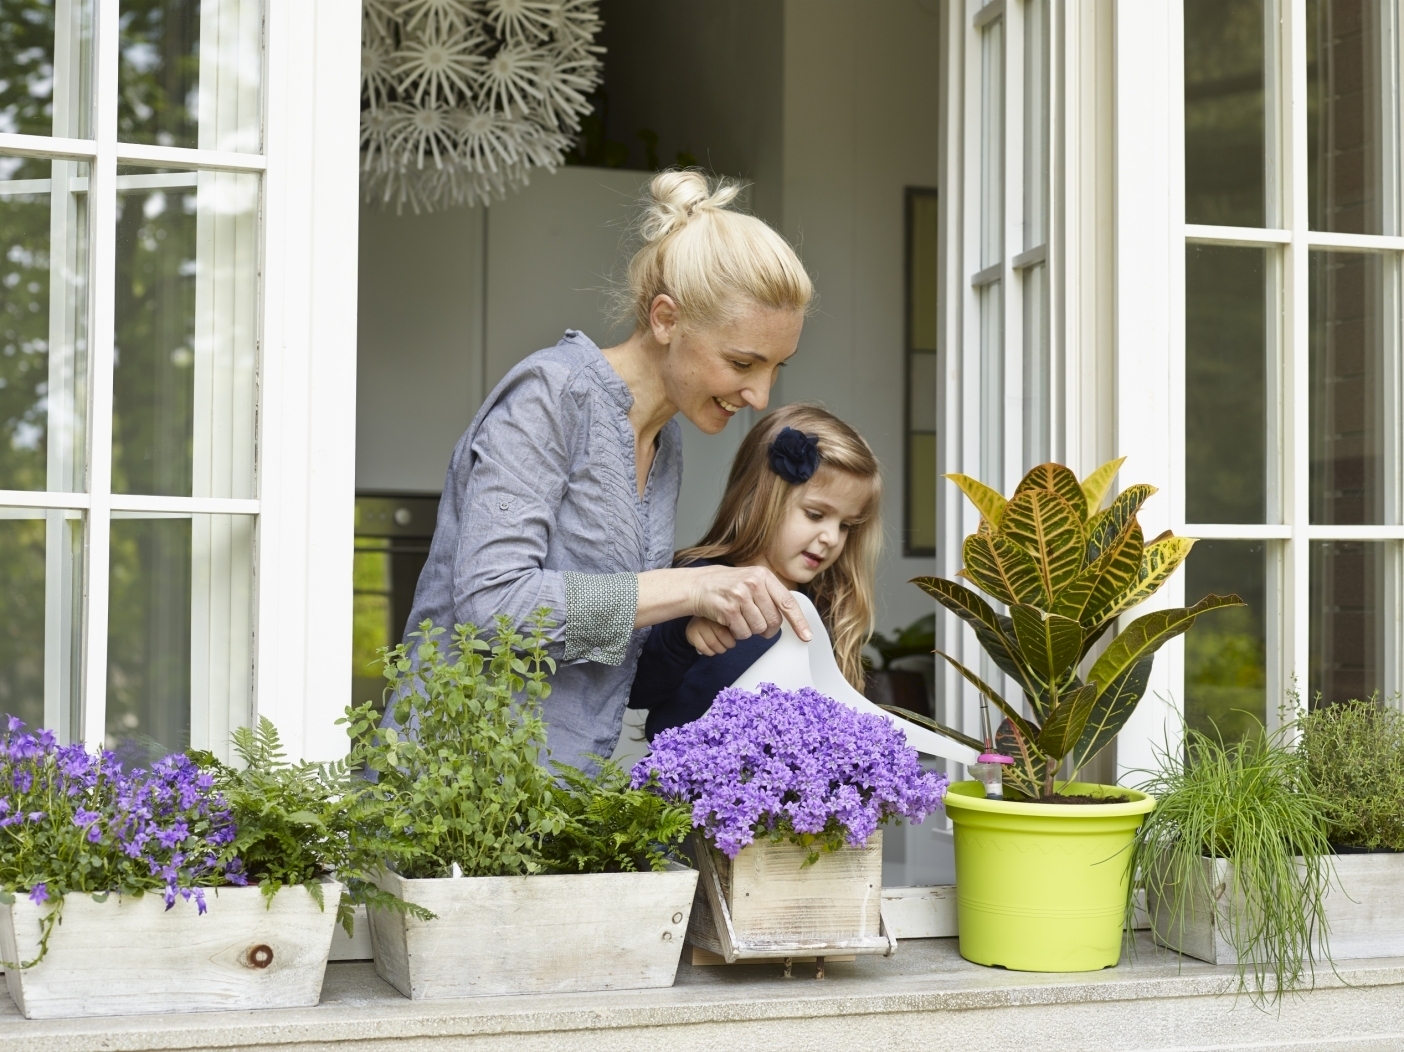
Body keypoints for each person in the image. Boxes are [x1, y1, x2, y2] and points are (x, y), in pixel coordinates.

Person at [401, 170, 816, 771]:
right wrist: (688, 587)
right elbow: (491, 607)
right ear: (666, 319)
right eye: (742, 362)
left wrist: (684, 632)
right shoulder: (553, 395)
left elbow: (605, 666)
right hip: (458, 786)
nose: (760, 395)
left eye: (777, 366)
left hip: (559, 795)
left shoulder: (665, 440)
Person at [628, 404, 883, 740]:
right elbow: (635, 694)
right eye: (815, 515)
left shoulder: (825, 609)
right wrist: (681, 637)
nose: (832, 538)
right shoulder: (698, 583)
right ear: (762, 498)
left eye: (846, 525)